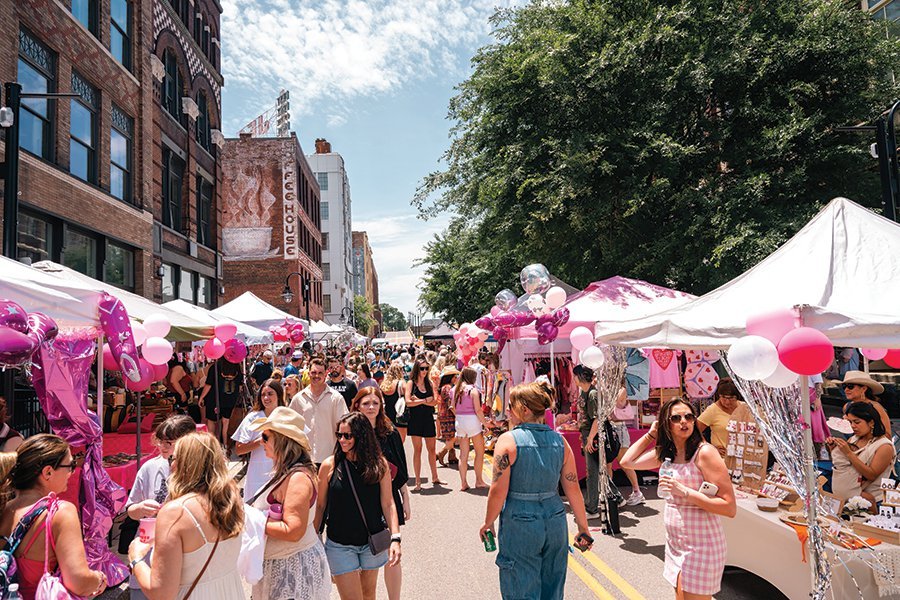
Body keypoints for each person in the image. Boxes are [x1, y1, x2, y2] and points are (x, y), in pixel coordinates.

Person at [479, 382, 593, 600]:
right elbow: (573, 488)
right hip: (555, 520)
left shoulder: (508, 441)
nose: (508, 412)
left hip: (521, 521)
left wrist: (488, 522)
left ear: (524, 409)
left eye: (511, 407)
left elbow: (497, 490)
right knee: (552, 587)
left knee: (520, 585)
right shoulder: (560, 442)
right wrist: (583, 527)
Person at [621, 399, 736, 600]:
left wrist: (684, 492)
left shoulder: (705, 453)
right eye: (676, 418)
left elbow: (729, 507)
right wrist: (650, 434)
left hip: (702, 545)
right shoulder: (668, 454)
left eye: (689, 416)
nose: (684, 422)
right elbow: (627, 462)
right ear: (666, 424)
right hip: (676, 543)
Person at [129, 432, 244, 599]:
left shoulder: (176, 512)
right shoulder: (231, 500)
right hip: (230, 592)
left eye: (172, 459)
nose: (170, 465)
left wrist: (136, 558)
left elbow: (161, 593)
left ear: (185, 464)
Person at [0, 435, 107, 600]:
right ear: (48, 472)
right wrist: (99, 579)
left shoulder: (4, 508)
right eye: (70, 465)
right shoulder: (60, 512)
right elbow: (78, 581)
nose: (71, 472)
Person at [315, 413, 401, 600]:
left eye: (348, 436)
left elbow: (388, 503)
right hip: (340, 545)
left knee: (369, 595)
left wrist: (395, 538)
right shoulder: (330, 466)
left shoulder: (379, 465)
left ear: (361, 436)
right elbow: (320, 506)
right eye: (339, 435)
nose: (342, 440)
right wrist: (314, 538)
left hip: (371, 542)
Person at [248, 407, 331, 600]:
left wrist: (251, 519)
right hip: (283, 565)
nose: (261, 442)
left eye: (266, 437)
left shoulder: (298, 478)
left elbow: (293, 531)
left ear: (282, 440)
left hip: (291, 568)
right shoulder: (289, 472)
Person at [125, 415, 196, 599]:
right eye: (161, 441)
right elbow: (130, 510)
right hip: (148, 549)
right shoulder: (149, 468)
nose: (163, 447)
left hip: (182, 556)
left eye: (169, 442)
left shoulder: (196, 475)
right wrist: (140, 508)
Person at [351, 388, 410, 600]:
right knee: (367, 555)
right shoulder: (350, 431)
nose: (371, 407)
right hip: (359, 499)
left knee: (392, 552)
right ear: (357, 405)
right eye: (366, 403)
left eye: (375, 403)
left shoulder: (390, 432)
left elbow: (402, 468)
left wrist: (405, 497)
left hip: (387, 498)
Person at [828, 402, 896, 508]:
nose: (853, 426)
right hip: (848, 496)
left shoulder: (885, 446)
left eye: (857, 422)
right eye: (850, 422)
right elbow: (844, 464)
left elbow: (871, 475)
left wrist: (848, 453)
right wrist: (833, 449)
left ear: (871, 423)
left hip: (870, 502)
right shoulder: (855, 438)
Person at [290, 357, 348, 465]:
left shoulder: (336, 398)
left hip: (329, 459)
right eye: (314, 372)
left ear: (326, 374)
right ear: (308, 373)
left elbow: (344, 427)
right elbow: (290, 427)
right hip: (304, 459)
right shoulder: (298, 399)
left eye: (320, 373)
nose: (317, 376)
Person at [233, 378, 285, 499]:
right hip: (258, 475)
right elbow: (239, 449)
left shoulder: (287, 416)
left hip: (281, 473)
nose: (266, 398)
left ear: (279, 395)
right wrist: (261, 441)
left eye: (270, 394)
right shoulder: (252, 418)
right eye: (263, 395)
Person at [405, 357, 444, 491]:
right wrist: (424, 401)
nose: (425, 371)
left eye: (427, 368)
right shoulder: (411, 383)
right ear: (417, 369)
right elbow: (408, 402)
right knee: (418, 449)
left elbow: (435, 401)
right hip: (415, 420)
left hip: (427, 419)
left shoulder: (430, 384)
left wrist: (420, 400)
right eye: (422, 368)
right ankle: (417, 481)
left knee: (432, 449)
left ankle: (435, 476)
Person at [451, 367, 488, 491]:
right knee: (479, 451)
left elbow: (452, 407)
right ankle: (479, 480)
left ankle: (463, 483)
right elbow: (478, 410)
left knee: (463, 454)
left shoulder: (455, 390)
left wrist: (459, 417)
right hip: (472, 421)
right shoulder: (473, 391)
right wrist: (485, 424)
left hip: (460, 421)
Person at [573, 365, 602, 517]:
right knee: (594, 469)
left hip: (592, 436)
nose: (574, 379)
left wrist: (590, 438)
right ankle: (616, 497)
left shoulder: (592, 394)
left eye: (575, 376)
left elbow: (597, 418)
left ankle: (592, 508)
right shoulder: (585, 393)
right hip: (587, 435)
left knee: (592, 471)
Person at [198, 358, 245, 445]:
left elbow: (208, 384)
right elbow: (240, 385)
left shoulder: (215, 367)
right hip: (230, 398)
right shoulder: (237, 367)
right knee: (225, 421)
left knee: (212, 421)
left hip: (215, 397)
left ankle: (212, 444)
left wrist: (202, 397)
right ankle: (225, 444)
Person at [610, 386, 644, 506]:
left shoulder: (621, 389)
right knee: (608, 463)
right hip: (609, 427)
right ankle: (611, 493)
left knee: (624, 462)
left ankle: (637, 491)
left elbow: (618, 401)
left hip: (618, 428)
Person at [697, 378, 745, 457]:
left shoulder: (744, 407)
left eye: (731, 398)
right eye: (723, 397)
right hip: (721, 460)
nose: (727, 402)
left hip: (742, 459)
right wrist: (709, 447)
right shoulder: (712, 410)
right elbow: (694, 431)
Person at [841, 370, 891, 437]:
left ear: (864, 388)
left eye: (850, 386)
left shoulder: (875, 407)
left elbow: (887, 435)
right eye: (844, 386)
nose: (846, 390)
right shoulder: (847, 407)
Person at [436, 367, 459, 467]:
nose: (456, 378)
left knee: (451, 436)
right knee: (453, 436)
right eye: (455, 376)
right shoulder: (448, 388)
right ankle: (441, 453)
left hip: (446, 414)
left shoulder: (446, 387)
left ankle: (451, 456)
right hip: (448, 414)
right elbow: (449, 402)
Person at [381, 364, 408, 442]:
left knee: (389, 439)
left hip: (387, 413)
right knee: (400, 441)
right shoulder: (401, 383)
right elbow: (407, 399)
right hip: (399, 414)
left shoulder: (384, 384)